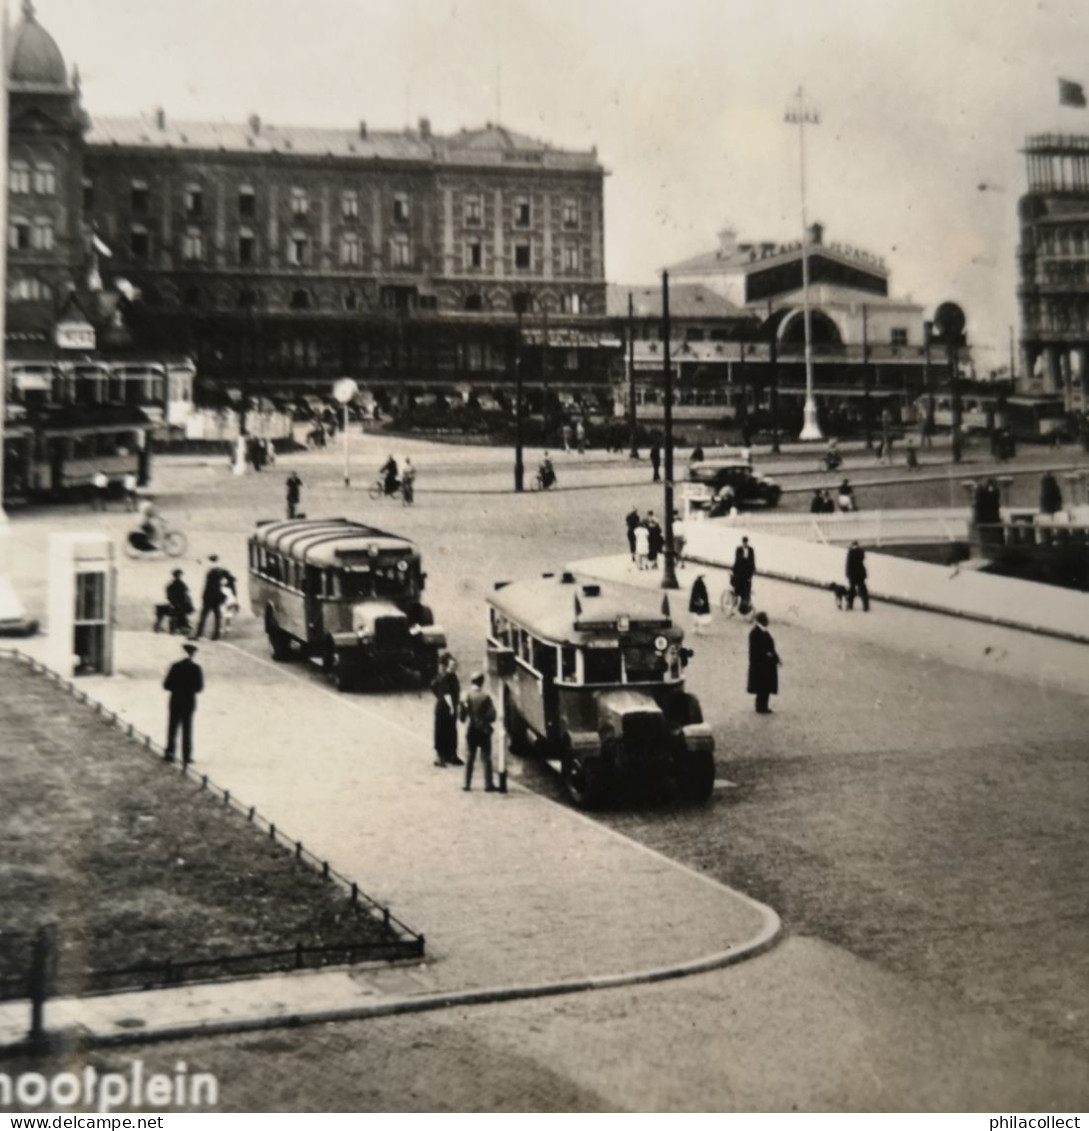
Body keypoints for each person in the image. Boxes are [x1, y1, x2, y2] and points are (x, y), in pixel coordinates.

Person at [163, 642, 204, 765]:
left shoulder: (175, 666)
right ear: (193, 655)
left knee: (172, 728)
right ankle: (186, 756)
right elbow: (199, 688)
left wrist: (176, 688)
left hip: (175, 700)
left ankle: (170, 753)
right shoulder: (196, 668)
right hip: (189, 701)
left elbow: (166, 685)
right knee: (187, 729)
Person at [459, 672, 497, 791]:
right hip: (484, 731)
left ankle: (466, 783)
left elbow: (462, 717)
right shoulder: (485, 696)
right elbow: (492, 716)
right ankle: (488, 784)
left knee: (470, 757)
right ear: (482, 682)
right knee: (486, 757)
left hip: (471, 730)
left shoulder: (467, 696)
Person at [431, 654, 462, 767]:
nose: (454, 666)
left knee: (451, 731)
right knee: (442, 731)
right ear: (447, 666)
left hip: (447, 708)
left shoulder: (450, 676)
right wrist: (452, 707)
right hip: (445, 709)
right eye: (452, 664)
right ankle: (441, 757)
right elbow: (446, 693)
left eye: (455, 664)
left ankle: (450, 755)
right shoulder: (446, 677)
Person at [747, 611, 781, 714]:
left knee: (764, 687)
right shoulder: (756, 633)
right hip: (761, 665)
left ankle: (763, 706)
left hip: (765, 664)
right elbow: (758, 650)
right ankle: (761, 707)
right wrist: (769, 655)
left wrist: (776, 658)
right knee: (763, 687)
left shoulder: (760, 631)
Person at [194, 555, 228, 641]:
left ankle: (199, 634)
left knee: (203, 616)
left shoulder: (211, 571)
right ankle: (216, 635)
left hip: (209, 597)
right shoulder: (220, 570)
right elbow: (228, 580)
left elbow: (208, 586)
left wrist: (204, 597)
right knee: (217, 616)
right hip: (217, 597)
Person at [155, 569, 194, 635]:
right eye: (178, 575)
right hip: (180, 606)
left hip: (180, 606)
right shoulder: (180, 585)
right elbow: (185, 596)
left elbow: (170, 596)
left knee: (174, 614)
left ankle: (176, 628)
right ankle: (178, 628)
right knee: (177, 615)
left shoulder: (173, 585)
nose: (179, 576)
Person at [845, 540, 870, 612]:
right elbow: (862, 560)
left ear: (852, 545)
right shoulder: (861, 552)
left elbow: (848, 564)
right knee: (863, 590)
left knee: (851, 590)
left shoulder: (850, 552)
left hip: (852, 574)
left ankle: (850, 605)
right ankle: (866, 606)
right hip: (860, 574)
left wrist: (847, 574)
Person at [732, 536, 756, 606]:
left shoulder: (750, 549)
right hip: (740, 569)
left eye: (746, 542)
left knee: (747, 586)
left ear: (747, 542)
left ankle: (744, 602)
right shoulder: (739, 549)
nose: (745, 544)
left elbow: (752, 559)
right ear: (742, 542)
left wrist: (753, 569)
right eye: (744, 542)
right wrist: (735, 569)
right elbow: (736, 559)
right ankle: (735, 599)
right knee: (738, 584)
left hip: (747, 570)